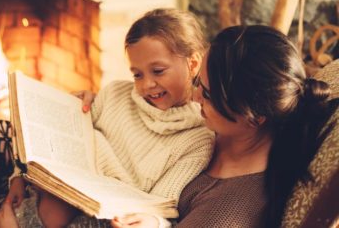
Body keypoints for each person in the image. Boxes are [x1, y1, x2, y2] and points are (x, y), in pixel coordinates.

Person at [0, 8, 215, 228]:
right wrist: (20, 173)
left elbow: (163, 204)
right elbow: (71, 134)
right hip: (55, 183)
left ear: (193, 63)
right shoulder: (115, 94)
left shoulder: (197, 138)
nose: (146, 85)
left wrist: (151, 223)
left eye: (157, 71)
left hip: (100, 210)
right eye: (137, 73)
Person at [105, 25, 337, 227]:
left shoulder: (230, 209)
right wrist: (100, 103)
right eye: (198, 82)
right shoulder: (225, 130)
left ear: (254, 117)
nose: (195, 97)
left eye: (206, 93)